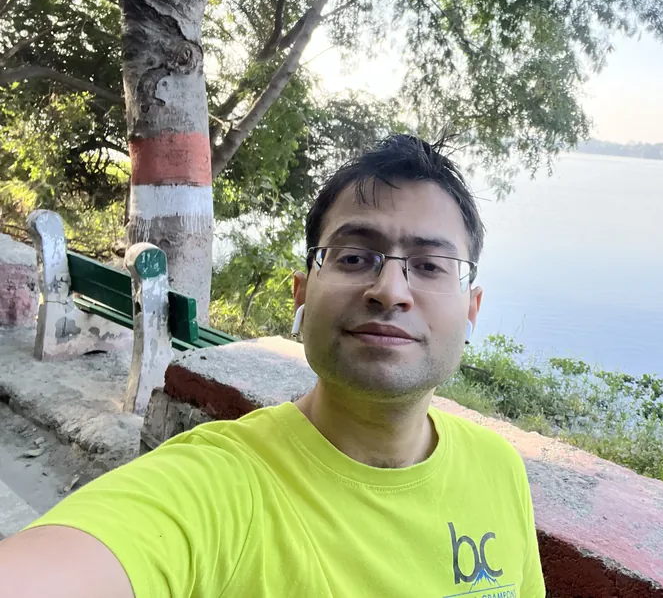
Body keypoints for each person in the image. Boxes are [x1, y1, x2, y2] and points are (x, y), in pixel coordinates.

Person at [0, 134, 546, 598]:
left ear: (471, 311)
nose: (390, 290)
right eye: (355, 257)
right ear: (301, 297)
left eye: (430, 265)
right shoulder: (221, 485)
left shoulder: (499, 471)